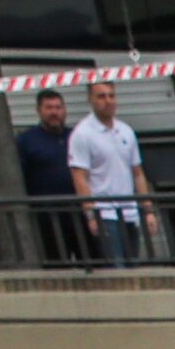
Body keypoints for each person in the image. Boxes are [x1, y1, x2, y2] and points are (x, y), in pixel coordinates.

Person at [69, 79, 155, 266]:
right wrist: (90, 214)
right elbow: (79, 177)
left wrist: (147, 209)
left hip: (129, 211)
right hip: (105, 213)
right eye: (101, 96)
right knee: (116, 267)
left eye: (111, 95)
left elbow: (137, 173)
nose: (108, 101)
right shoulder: (82, 134)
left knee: (134, 265)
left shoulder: (125, 131)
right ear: (90, 99)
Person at [14, 88, 85, 265]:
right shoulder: (26, 140)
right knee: (57, 266)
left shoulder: (76, 137)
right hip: (47, 217)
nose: (55, 112)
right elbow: (19, 176)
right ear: (39, 110)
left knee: (92, 263)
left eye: (58, 107)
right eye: (49, 108)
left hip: (79, 213)